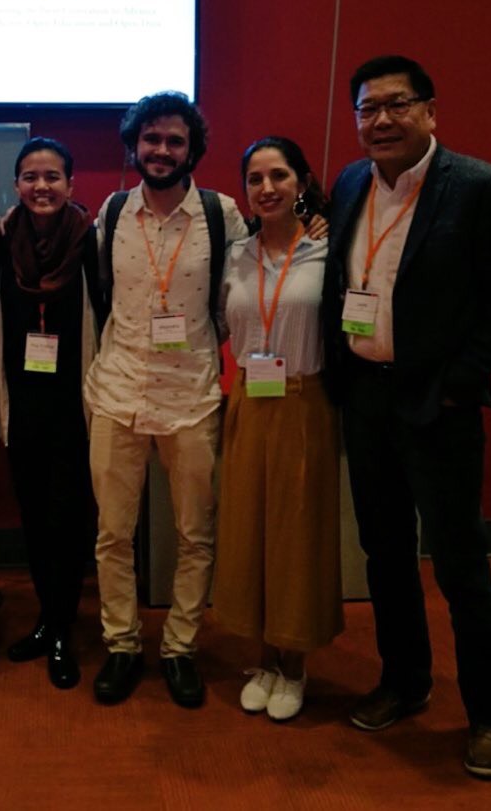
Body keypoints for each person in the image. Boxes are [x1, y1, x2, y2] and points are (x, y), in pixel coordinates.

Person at [324, 55, 491, 778]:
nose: (381, 119)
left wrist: (458, 383)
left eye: (397, 104)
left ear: (430, 111)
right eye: (367, 108)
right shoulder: (350, 183)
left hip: (437, 405)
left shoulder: (477, 187)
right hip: (366, 398)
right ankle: (405, 680)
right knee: (384, 555)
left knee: (459, 564)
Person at [84, 92, 249, 707]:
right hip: (118, 392)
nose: (161, 150)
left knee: (195, 534)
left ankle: (180, 648)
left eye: (174, 140)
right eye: (151, 139)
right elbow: (101, 295)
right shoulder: (112, 212)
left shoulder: (220, 214)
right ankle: (122, 644)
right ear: (134, 145)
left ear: (191, 149)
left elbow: (237, 299)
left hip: (191, 398)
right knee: (112, 534)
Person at [213, 136, 342, 722]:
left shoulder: (327, 252)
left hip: (303, 401)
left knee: (296, 534)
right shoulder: (235, 255)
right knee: (248, 531)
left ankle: (293, 662)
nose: (266, 188)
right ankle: (262, 658)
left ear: (301, 182)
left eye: (279, 176)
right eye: (255, 179)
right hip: (248, 399)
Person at [0, 137, 100, 690]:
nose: (41, 186)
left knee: (69, 519)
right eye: (30, 176)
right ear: (16, 184)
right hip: (23, 403)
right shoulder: (0, 241)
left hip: (74, 406)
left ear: (70, 185)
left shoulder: (90, 243)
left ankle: (63, 625)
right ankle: (45, 616)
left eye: (52, 176)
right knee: (34, 518)